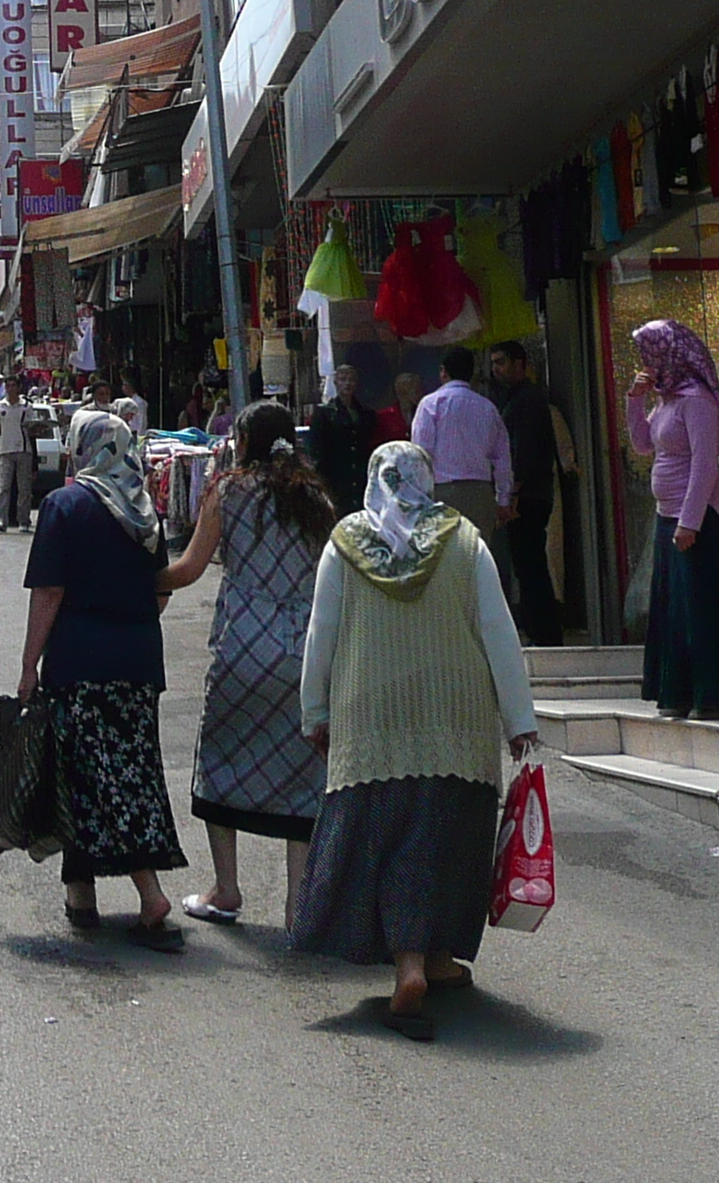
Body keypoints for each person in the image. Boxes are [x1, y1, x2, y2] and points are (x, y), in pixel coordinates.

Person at [293, 441, 540, 1039]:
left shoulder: (346, 543)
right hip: (454, 719)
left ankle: (419, 965)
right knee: (443, 838)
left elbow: (321, 629)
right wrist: (519, 719)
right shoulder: (464, 541)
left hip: (370, 718)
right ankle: (425, 960)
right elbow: (497, 631)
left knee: (387, 837)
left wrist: (314, 710)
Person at [157, 401, 334, 929]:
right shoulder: (317, 498)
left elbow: (188, 570)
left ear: (245, 441)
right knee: (305, 774)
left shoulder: (228, 491)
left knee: (222, 759)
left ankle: (226, 888)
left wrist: (136, 581)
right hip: (304, 651)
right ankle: (297, 904)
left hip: (243, 648)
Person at [18, 411, 187, 950]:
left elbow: (49, 593)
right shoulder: (144, 508)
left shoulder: (65, 506)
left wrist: (28, 666)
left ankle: (150, 893)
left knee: (94, 776)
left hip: (79, 662)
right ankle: (80, 893)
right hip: (137, 661)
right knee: (123, 771)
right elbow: (160, 591)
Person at [627, 319, 719, 722]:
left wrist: (689, 523)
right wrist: (635, 400)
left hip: (702, 521)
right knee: (675, 611)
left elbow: (705, 466)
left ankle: (712, 694)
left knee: (701, 609)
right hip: (668, 517)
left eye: (650, 355)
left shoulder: (696, 401)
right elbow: (643, 444)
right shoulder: (666, 400)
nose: (646, 363)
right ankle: (678, 692)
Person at [484, 343, 569, 646]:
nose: (497, 369)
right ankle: (540, 631)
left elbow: (525, 453)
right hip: (528, 494)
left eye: (502, 362)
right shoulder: (514, 399)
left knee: (531, 566)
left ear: (520, 364)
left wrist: (512, 494)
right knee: (527, 566)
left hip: (529, 497)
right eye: (493, 363)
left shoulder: (528, 400)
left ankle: (544, 634)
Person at [409, 347, 514, 589]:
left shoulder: (430, 405)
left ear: (443, 372)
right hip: (480, 494)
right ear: (472, 374)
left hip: (441, 494)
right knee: (478, 565)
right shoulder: (487, 407)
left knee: (442, 566)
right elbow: (502, 458)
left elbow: (420, 456)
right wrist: (503, 499)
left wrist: (416, 499)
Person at [308, 365, 375, 506]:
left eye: (351, 380)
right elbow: (317, 449)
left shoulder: (366, 413)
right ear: (336, 382)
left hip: (360, 474)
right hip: (336, 475)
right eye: (343, 379)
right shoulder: (324, 413)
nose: (347, 383)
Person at [0, 384, 42, 532]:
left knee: (24, 488)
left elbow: (32, 428)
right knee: (3, 487)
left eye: (13, 386)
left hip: (23, 450)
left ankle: (23, 521)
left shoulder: (26, 406)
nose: (11, 389)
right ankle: (1, 519)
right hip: (5, 450)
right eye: (8, 387)